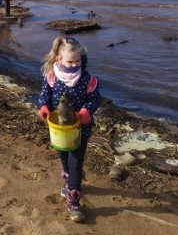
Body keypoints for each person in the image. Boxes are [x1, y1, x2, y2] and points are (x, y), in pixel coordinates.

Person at [37, 37, 101, 223]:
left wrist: (85, 112)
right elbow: (44, 95)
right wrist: (43, 107)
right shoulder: (51, 76)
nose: (74, 65)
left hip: (81, 128)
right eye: (69, 61)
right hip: (59, 128)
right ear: (59, 60)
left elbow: (95, 99)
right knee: (63, 154)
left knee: (75, 158)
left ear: (82, 59)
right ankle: (70, 178)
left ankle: (73, 199)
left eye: (77, 61)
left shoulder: (88, 79)